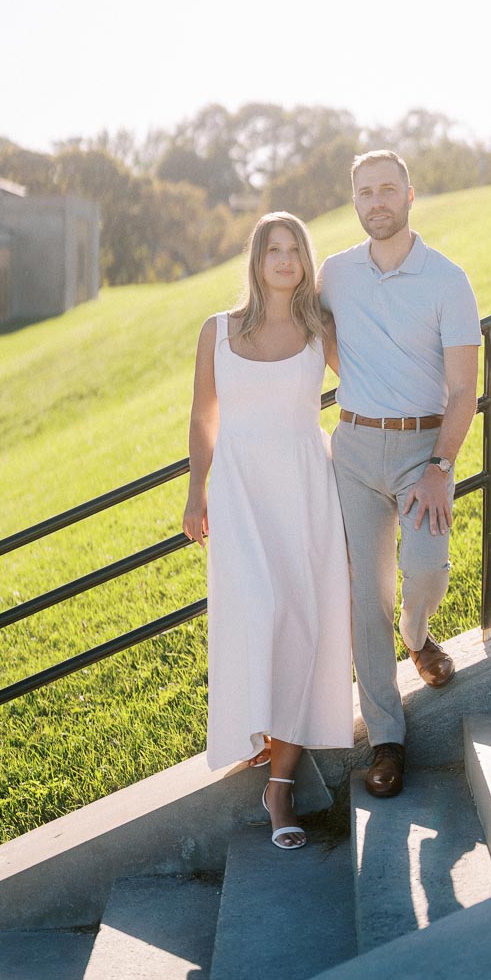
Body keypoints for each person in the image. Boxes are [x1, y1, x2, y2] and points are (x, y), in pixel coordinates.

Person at [183, 211, 354, 849]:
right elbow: (204, 416)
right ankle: (254, 731)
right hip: (240, 493)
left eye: (294, 250)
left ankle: (279, 787)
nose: (284, 260)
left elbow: (368, 385)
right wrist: (196, 490)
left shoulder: (318, 331)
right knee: (260, 610)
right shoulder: (218, 332)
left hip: (308, 489)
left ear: (306, 262)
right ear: (256, 261)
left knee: (304, 624)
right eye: (272, 250)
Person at [318, 150, 481, 799]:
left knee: (426, 569)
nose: (376, 201)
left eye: (388, 189)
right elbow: (308, 328)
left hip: (423, 450)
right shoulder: (335, 273)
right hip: (354, 448)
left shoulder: (447, 279)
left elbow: (465, 389)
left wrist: (441, 467)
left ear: (411, 195)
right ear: (354, 201)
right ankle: (388, 738)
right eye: (365, 192)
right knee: (365, 600)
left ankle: (417, 638)